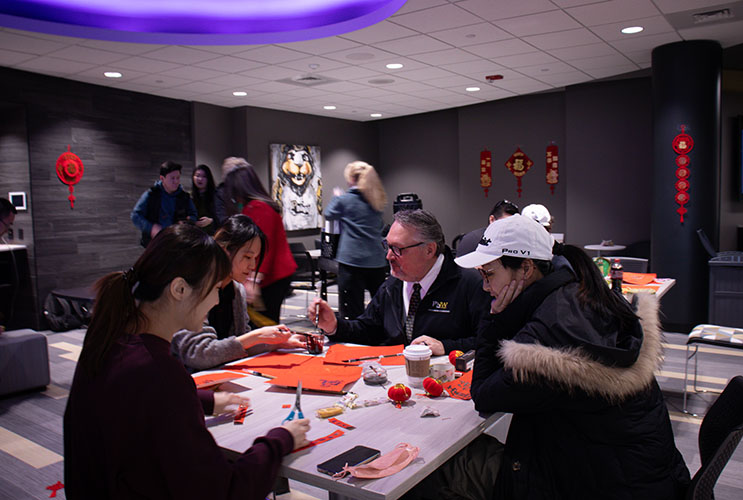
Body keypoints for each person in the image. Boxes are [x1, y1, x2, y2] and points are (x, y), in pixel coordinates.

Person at [63, 223, 310, 498]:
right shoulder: (159, 371)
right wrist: (281, 439)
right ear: (180, 289)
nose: (217, 300)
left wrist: (206, 400)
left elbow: (133, 404)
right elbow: (226, 491)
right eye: (215, 288)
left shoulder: (108, 339)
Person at [453, 214, 689, 499]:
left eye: (489, 274)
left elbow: (483, 394)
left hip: (596, 485)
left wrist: (494, 323)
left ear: (526, 268)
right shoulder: (582, 292)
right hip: (644, 475)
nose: (484, 287)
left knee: (451, 470)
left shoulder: (545, 343)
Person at [308, 209, 490, 355]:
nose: (388, 256)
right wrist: (334, 326)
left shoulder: (470, 284)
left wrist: (446, 346)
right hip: (397, 382)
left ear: (429, 250)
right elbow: (369, 329)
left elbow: (489, 341)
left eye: (397, 249)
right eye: (387, 246)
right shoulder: (394, 284)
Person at [172, 215, 305, 371]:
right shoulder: (195, 286)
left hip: (220, 377)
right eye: (247, 257)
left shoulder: (236, 290)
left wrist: (275, 343)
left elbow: (238, 346)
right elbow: (198, 354)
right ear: (224, 249)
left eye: (255, 258)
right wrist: (256, 337)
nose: (253, 265)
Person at [224, 161, 296, 323]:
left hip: (272, 278)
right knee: (264, 322)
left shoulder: (258, 208)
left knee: (264, 323)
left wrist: (253, 280)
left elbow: (264, 248)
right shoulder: (258, 206)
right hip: (274, 276)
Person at [324, 161, 388, 319]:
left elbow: (329, 214)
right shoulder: (376, 200)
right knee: (382, 305)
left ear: (351, 179)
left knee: (352, 309)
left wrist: (336, 197)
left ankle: (355, 339)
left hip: (352, 261)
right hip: (377, 260)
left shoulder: (345, 200)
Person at [131, 160, 198, 247]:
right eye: (172, 178)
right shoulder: (151, 194)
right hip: (155, 243)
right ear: (162, 179)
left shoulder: (184, 197)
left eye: (178, 178)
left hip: (177, 241)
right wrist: (151, 228)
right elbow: (135, 216)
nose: (176, 181)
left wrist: (187, 222)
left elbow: (193, 214)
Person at [190, 164, 218, 235]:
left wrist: (211, 220)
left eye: (204, 176)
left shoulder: (216, 195)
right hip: (194, 235)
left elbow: (222, 217)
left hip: (212, 234)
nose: (200, 179)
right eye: (197, 176)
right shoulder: (189, 197)